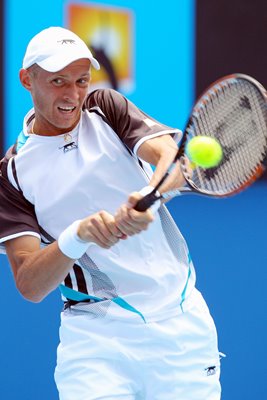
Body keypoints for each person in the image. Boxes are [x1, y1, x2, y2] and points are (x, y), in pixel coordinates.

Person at [0, 27, 221, 399]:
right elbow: (30, 285)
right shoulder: (11, 174)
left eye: (81, 80)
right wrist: (77, 236)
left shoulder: (106, 106)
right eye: (58, 82)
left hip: (180, 323)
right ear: (27, 79)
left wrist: (150, 194)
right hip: (95, 339)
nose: (72, 95)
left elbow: (173, 160)